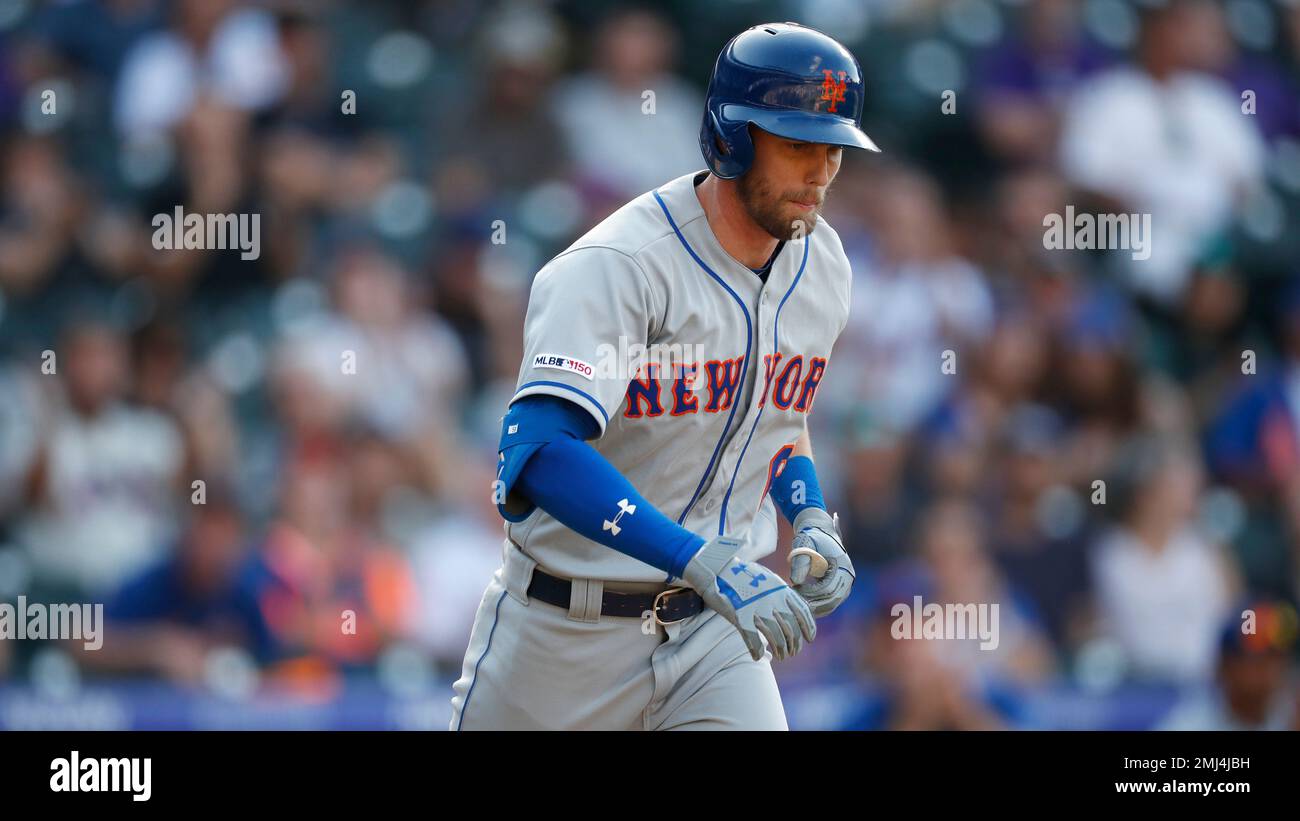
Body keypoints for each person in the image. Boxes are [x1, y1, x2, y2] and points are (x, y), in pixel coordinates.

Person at [449, 23, 879, 730]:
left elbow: (777, 419)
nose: (822, 171)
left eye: (833, 148)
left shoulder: (822, 263)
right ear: (732, 139)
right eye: (798, 144)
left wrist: (808, 515)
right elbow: (537, 454)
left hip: (713, 630)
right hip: (565, 633)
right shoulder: (621, 265)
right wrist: (697, 557)